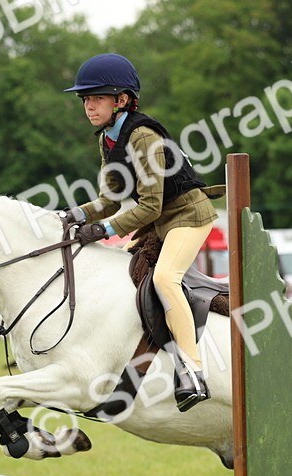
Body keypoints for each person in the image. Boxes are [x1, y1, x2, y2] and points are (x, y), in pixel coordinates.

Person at [62, 53, 223, 412]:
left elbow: (149, 206)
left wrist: (102, 230)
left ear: (121, 100)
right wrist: (71, 215)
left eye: (97, 98)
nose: (89, 106)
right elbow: (109, 199)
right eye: (85, 99)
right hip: (161, 220)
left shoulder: (144, 137)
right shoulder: (107, 139)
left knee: (166, 279)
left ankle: (193, 371)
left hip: (188, 215)